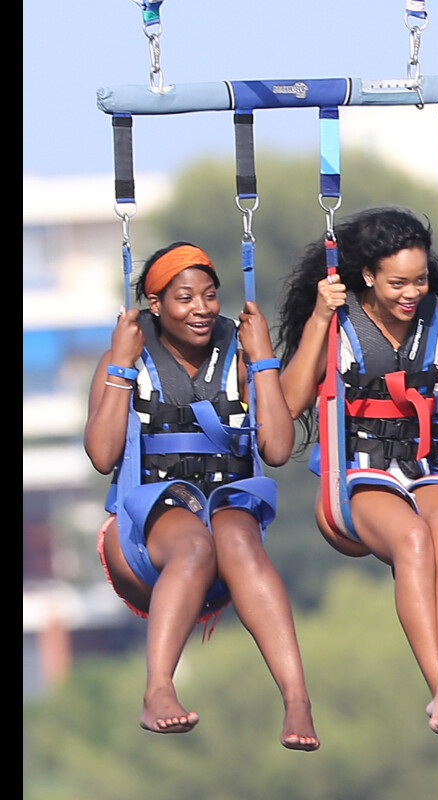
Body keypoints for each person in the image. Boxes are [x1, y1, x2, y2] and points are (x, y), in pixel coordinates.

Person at [84, 241, 319, 750]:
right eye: (184, 298)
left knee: (238, 537)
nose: (201, 309)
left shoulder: (239, 356)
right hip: (146, 530)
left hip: (225, 516)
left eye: (209, 296)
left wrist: (262, 362)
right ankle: (159, 690)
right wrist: (122, 366)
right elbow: (103, 455)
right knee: (195, 544)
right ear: (154, 304)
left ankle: (297, 699)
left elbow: (277, 449)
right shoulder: (124, 356)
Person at [275, 207, 438, 745]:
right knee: (414, 541)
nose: (412, 292)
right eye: (398, 282)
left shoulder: (434, 317)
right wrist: (320, 320)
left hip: (426, 465)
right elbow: (289, 402)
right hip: (359, 478)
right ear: (368, 276)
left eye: (421, 280)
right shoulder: (340, 322)